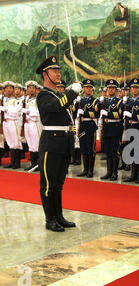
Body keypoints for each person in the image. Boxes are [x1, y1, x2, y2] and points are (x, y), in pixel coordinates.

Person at [36, 56, 82, 232]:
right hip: (51, 142)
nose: (58, 73)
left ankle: (59, 216)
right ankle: (50, 219)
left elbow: (64, 107)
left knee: (58, 183)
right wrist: (72, 92)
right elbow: (56, 106)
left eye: (59, 70)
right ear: (45, 74)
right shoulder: (43, 96)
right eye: (54, 71)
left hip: (64, 141)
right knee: (48, 183)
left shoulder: (58, 94)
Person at [23, 80, 42, 171]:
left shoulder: (39, 99)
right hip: (28, 123)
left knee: (37, 143)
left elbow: (39, 112)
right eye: (29, 88)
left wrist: (29, 113)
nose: (31, 90)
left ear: (36, 89)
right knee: (30, 143)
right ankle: (33, 163)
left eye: (33, 88)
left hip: (35, 123)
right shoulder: (26, 100)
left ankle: (39, 164)